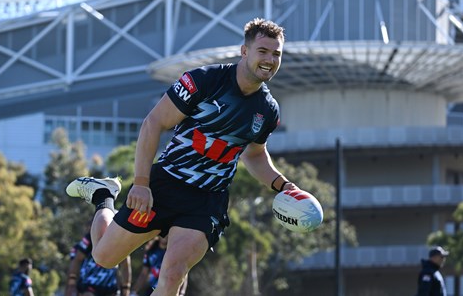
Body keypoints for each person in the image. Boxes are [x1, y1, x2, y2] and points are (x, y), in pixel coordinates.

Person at [66, 18, 300, 296]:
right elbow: (154, 123)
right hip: (165, 185)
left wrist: (284, 186)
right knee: (103, 258)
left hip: (207, 201)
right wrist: (141, 183)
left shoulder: (268, 110)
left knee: (174, 273)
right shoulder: (203, 81)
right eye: (263, 51)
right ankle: (104, 195)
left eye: (277, 54)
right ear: (244, 51)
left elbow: (255, 154)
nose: (270, 60)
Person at [64, 223, 131, 296]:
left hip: (110, 286)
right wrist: (71, 283)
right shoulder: (89, 238)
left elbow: (125, 265)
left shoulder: (118, 239)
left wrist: (126, 287)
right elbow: (77, 260)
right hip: (89, 284)